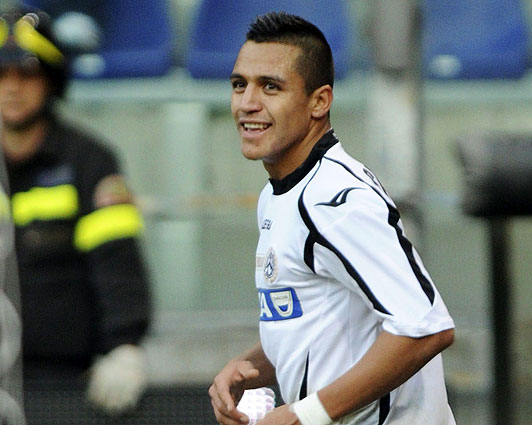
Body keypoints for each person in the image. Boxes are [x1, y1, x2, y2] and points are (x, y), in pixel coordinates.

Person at [209, 11, 456, 425]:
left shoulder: (336, 202)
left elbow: (426, 328)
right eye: (239, 84)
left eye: (270, 86)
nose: (247, 103)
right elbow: (325, 323)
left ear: (319, 101)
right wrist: (251, 365)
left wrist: (304, 415)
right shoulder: (279, 195)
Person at [0, 6, 151, 416]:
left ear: (52, 80)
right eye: (1, 74)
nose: (11, 87)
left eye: (27, 73)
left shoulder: (90, 162)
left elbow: (118, 265)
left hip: (69, 386)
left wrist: (124, 348)